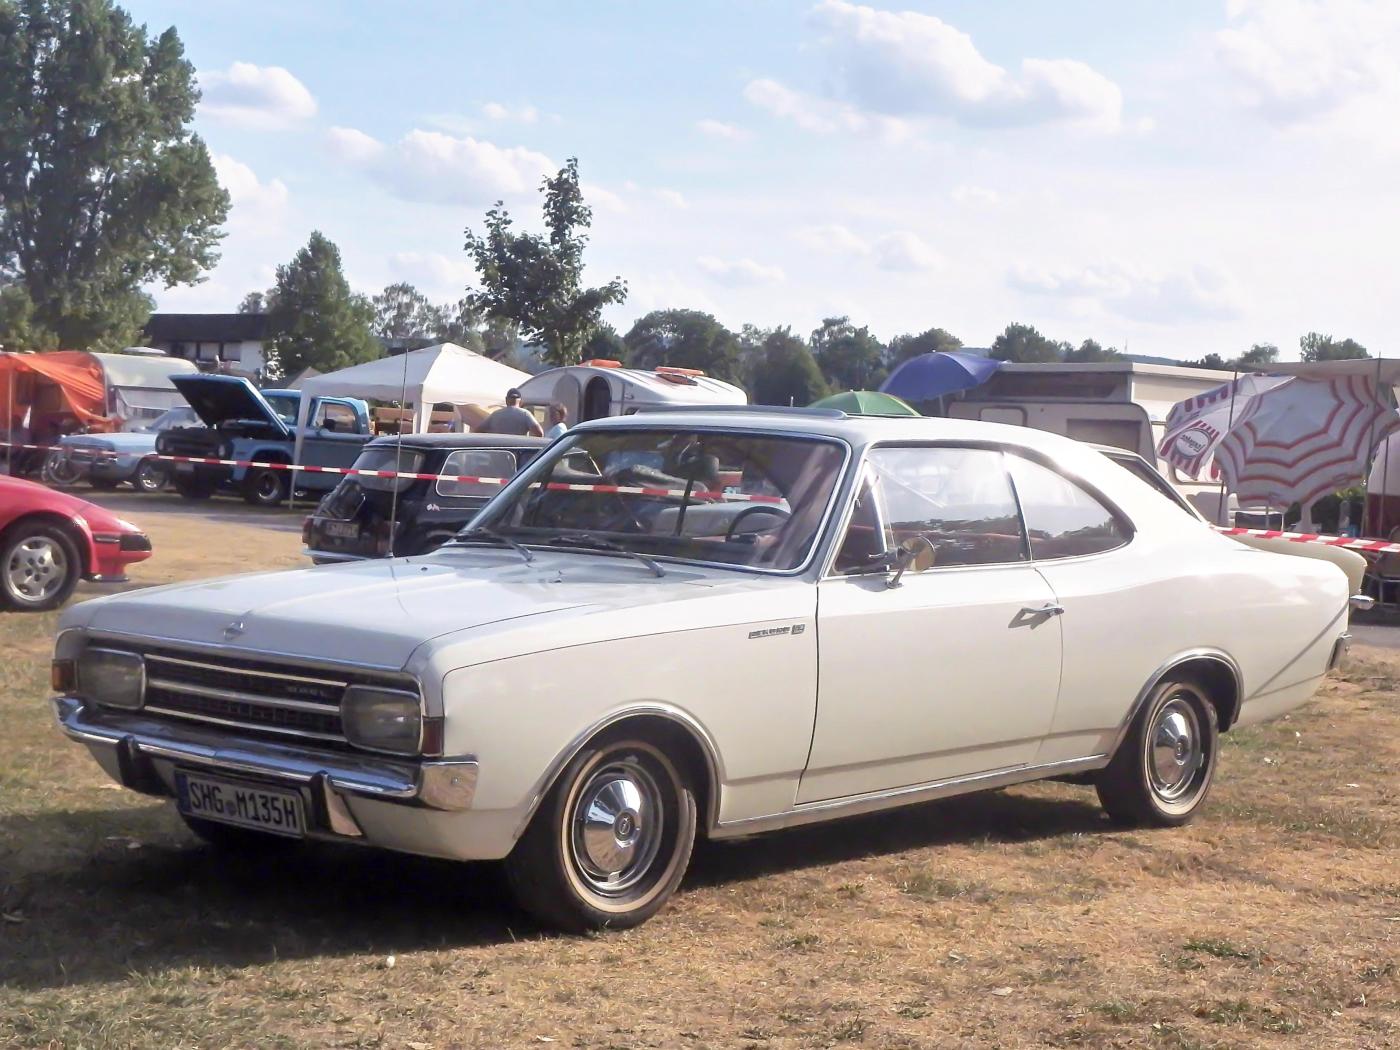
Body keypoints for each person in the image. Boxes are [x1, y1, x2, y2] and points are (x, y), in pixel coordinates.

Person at [476, 388, 543, 437]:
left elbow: (478, 430)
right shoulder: (525, 414)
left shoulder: (496, 414)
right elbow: (540, 433)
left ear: (506, 399)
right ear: (520, 401)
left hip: (498, 450)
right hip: (518, 451)